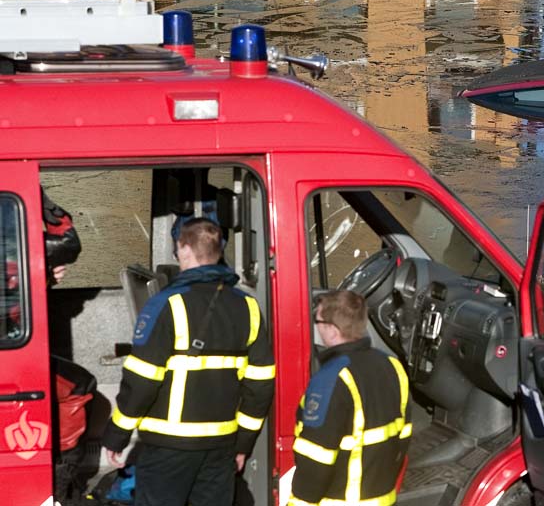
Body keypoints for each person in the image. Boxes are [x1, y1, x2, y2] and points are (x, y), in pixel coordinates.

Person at [102, 217, 275, 506]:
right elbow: (260, 386)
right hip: (221, 446)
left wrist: (117, 435)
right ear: (218, 252)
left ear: (183, 248)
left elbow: (142, 381)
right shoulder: (249, 307)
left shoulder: (166, 304)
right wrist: (243, 443)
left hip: (167, 448)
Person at [288, 290, 411, 506]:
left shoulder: (331, 379)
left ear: (333, 331)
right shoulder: (393, 367)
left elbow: (315, 458)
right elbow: (403, 438)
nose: (316, 327)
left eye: (317, 321)